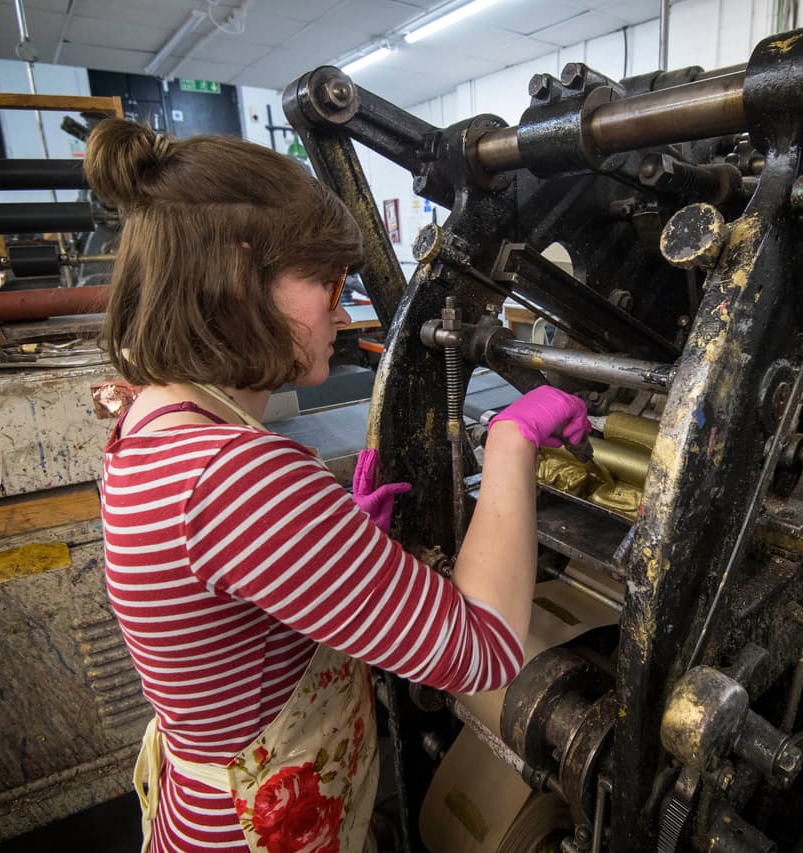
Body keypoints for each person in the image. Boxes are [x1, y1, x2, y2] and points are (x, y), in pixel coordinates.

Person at [87, 118, 590, 853]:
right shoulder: (236, 478)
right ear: (240, 275)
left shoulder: (151, 419)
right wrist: (512, 440)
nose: (343, 309)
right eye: (325, 283)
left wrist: (326, 545)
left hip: (199, 809)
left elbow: (225, 604)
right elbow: (485, 649)